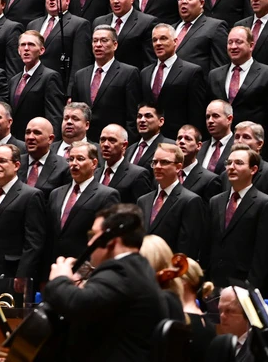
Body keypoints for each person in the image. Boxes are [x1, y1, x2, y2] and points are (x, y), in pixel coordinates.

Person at [43, 203, 168, 362]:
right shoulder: (138, 268)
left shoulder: (121, 271)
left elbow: (77, 304)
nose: (89, 243)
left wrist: (60, 278)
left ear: (111, 240)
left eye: (93, 235)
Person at [204, 145, 268, 291]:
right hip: (214, 281)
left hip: (244, 283)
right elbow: (208, 243)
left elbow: (263, 252)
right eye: (229, 163)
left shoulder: (265, 204)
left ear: (253, 169)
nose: (231, 167)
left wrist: (251, 286)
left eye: (238, 163)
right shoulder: (215, 201)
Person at [207, 26, 268, 159]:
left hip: (254, 147)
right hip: (220, 147)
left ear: (251, 45)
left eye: (238, 42)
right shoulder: (214, 75)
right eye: (230, 42)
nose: (233, 46)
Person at [0, 144, 44, 283]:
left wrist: (23, 275)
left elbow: (34, 242)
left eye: (2, 161)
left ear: (16, 165)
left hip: (11, 273)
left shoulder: (30, 195)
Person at [45, 141, 120, 271]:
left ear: (94, 163)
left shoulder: (107, 195)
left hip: (85, 269)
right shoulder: (56, 193)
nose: (74, 163)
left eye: (80, 159)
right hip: (54, 266)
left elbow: (106, 238)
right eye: (71, 159)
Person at [137, 142, 206, 259]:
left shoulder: (190, 201)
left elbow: (188, 247)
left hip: (171, 266)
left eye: (164, 162)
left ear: (178, 167)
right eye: (155, 162)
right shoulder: (143, 200)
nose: (158, 166)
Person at [70, 25, 140, 141]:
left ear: (115, 45)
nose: (98, 45)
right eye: (95, 41)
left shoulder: (128, 73)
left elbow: (132, 116)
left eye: (104, 40)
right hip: (84, 141)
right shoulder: (80, 75)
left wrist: (128, 143)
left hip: (113, 140)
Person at [140, 24, 206, 138]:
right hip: (149, 138)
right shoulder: (145, 73)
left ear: (175, 41)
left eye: (163, 38)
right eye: (155, 40)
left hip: (178, 138)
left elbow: (196, 113)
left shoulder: (191, 72)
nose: (158, 43)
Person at [9, 30, 64, 140]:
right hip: (16, 141)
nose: (26, 48)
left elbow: (54, 116)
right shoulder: (14, 80)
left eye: (31, 44)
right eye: (23, 45)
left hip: (38, 140)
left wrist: (52, 144)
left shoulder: (50, 77)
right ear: (18, 50)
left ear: (41, 50)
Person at [92, 0, 157, 72]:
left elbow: (149, 61)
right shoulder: (99, 22)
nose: (115, 1)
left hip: (132, 76)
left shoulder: (147, 22)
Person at [173, 0, 228, 74]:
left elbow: (220, 68)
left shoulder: (215, 26)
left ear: (201, 3)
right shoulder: (171, 29)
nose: (184, 1)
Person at [97, 123, 152, 203]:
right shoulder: (94, 174)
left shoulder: (138, 174)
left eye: (112, 140)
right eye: (103, 139)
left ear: (124, 145)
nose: (105, 144)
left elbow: (142, 207)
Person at [17, 117, 71, 197]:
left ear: (50, 139)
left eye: (37, 133)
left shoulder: (64, 167)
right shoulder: (15, 163)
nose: (30, 137)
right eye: (28, 132)